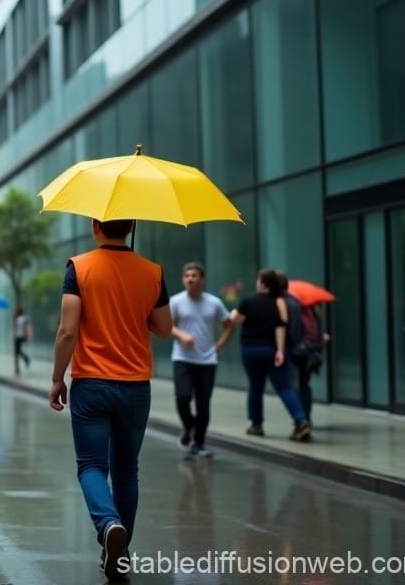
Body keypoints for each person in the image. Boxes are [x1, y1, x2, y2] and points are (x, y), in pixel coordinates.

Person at [46, 219, 172, 582]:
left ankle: (108, 524)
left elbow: (68, 330)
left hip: (92, 384)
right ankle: (118, 552)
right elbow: (164, 328)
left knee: (90, 466)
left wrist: (57, 378)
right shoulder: (153, 271)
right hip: (135, 386)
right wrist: (137, 307)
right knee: (127, 469)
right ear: (132, 226)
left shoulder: (79, 267)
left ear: (95, 226)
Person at [229, 269, 311, 442]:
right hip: (272, 350)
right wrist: (280, 351)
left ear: (263, 283)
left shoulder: (248, 300)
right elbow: (280, 327)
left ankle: (256, 425)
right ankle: (301, 419)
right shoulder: (279, 302)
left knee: (255, 387)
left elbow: (233, 320)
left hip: (250, 349)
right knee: (284, 387)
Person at [169, 262, 234, 457]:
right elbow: (168, 326)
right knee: (183, 396)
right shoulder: (176, 301)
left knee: (203, 403)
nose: (190, 279)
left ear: (202, 279)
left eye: (194, 275)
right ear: (183, 279)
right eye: (187, 275)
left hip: (207, 360)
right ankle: (189, 425)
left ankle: (199, 443)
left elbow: (229, 324)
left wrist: (219, 346)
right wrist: (181, 336)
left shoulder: (214, 302)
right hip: (182, 358)